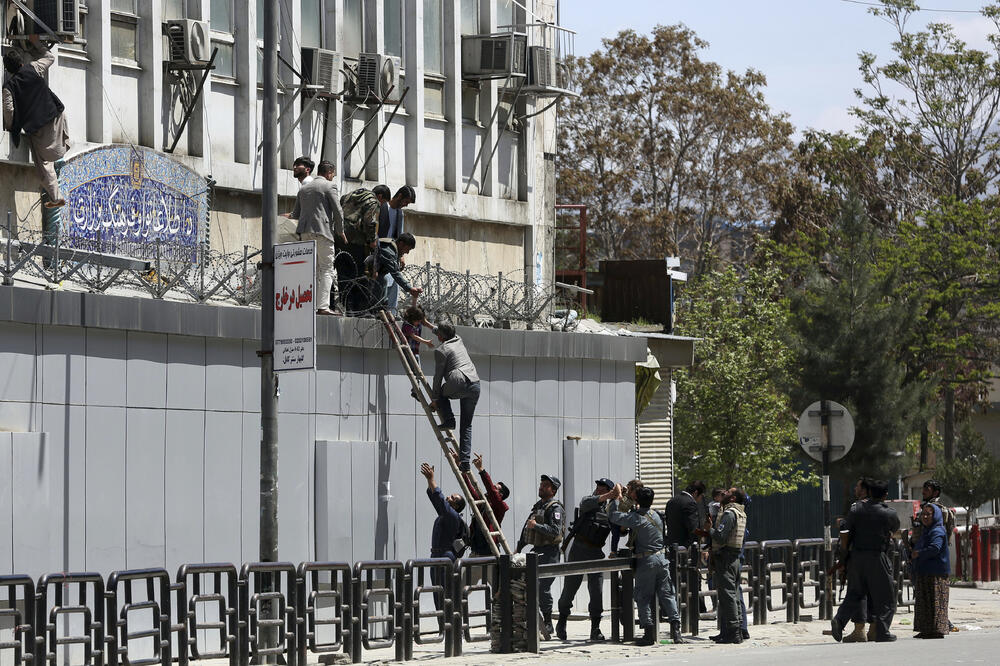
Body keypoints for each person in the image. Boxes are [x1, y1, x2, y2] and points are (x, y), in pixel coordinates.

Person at [608, 485, 686, 646]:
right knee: (667, 595)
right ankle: (676, 630)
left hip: (646, 561)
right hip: (662, 559)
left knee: (643, 597)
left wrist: (616, 498)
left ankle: (648, 633)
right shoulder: (657, 515)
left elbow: (614, 516)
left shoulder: (637, 518)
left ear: (637, 499)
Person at [3, 38, 71, 208]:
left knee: (43, 164)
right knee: (51, 157)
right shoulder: (33, 67)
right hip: (57, 115)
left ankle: (56, 197)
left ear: (7, 70)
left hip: (39, 127)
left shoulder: (9, 87)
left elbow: (9, 110)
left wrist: (10, 127)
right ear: (21, 63)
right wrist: (36, 43)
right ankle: (56, 195)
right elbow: (50, 57)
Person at [830, 479, 900, 643]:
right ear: (885, 495)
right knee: (886, 596)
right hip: (877, 557)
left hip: (856, 558)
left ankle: (839, 620)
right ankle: (882, 631)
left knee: (855, 593)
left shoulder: (856, 509)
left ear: (870, 492)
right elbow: (894, 528)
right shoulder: (889, 513)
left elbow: (846, 528)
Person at [556, 478, 616, 642]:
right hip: (579, 551)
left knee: (596, 592)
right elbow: (589, 501)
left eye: (603, 488)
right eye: (598, 487)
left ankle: (595, 628)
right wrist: (611, 494)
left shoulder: (611, 509)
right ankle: (562, 621)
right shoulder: (588, 501)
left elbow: (620, 528)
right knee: (570, 589)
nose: (599, 489)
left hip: (596, 552)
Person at [289, 160, 346, 315]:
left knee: (312, 269)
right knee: (327, 269)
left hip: (305, 232)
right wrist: (340, 231)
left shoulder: (304, 188)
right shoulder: (329, 186)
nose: (332, 177)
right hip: (323, 232)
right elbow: (338, 211)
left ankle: (311, 305)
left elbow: (296, 214)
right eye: (333, 174)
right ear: (329, 172)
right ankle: (323, 306)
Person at [516, 474, 565, 639]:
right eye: (541, 484)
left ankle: (548, 623)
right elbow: (526, 529)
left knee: (542, 587)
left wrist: (536, 525)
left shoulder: (555, 508)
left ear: (553, 490)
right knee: (530, 586)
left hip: (550, 552)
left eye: (546, 485)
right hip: (537, 551)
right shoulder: (538, 506)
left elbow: (555, 531)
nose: (541, 487)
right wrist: (518, 548)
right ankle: (535, 622)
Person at [428, 322, 480, 472]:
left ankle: (449, 420)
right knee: (466, 425)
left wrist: (434, 399)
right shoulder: (458, 339)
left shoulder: (441, 351)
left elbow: (438, 377)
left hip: (459, 382)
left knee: (440, 393)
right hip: (475, 383)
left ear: (440, 336)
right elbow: (444, 332)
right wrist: (427, 324)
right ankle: (465, 462)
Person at [420, 462, 467, 619]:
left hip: (445, 556)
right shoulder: (445, 515)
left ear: (457, 506)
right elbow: (436, 500)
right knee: (438, 593)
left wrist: (432, 479)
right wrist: (429, 481)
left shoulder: (453, 516)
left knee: (446, 593)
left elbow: (440, 500)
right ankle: (443, 625)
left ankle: (452, 624)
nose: (448, 497)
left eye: (452, 498)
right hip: (436, 555)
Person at [709, 488, 747, 644]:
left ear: (733, 499)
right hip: (733, 557)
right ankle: (735, 630)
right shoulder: (740, 513)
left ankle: (733, 632)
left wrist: (709, 530)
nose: (724, 494)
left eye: (728, 493)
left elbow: (720, 537)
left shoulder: (730, 514)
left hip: (726, 558)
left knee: (728, 595)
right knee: (734, 595)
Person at [911, 503, 950, 639]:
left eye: (929, 514)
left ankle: (936, 630)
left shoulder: (937, 531)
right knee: (924, 601)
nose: (925, 517)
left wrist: (919, 553)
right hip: (925, 571)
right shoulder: (927, 531)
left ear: (936, 516)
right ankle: (926, 629)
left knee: (934, 601)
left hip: (935, 573)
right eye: (923, 514)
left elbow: (935, 548)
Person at [461, 452, 509, 558]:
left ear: (500, 495)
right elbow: (470, 490)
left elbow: (491, 491)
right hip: (475, 550)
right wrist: (462, 470)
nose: (491, 489)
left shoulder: (500, 507)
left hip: (489, 551)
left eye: (495, 488)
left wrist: (481, 470)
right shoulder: (483, 503)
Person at [377, 185, 415, 314]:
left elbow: (400, 234)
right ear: (399, 196)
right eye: (405, 201)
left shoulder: (400, 213)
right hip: (379, 250)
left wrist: (401, 256)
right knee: (385, 281)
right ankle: (380, 310)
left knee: (394, 282)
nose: (406, 205)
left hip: (392, 252)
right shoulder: (382, 207)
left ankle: (391, 313)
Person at [372, 231, 422, 311]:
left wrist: (401, 256)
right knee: (382, 281)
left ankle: (381, 310)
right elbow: (395, 272)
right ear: (401, 244)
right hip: (369, 276)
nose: (407, 252)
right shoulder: (388, 251)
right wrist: (410, 288)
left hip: (377, 275)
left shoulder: (394, 247)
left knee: (385, 282)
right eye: (408, 249)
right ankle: (375, 310)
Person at [665, 481, 706, 548]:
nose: (701, 499)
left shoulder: (671, 501)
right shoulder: (690, 503)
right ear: (696, 493)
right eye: (702, 495)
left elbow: (667, 521)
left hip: (672, 544)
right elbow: (693, 529)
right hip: (685, 547)